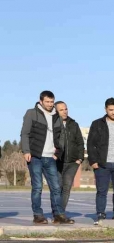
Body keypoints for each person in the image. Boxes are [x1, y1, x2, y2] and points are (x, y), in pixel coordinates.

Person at [20, 90, 72, 224]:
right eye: (47, 102)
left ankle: (59, 215)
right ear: (41, 101)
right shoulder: (31, 113)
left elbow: (61, 137)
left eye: (52, 102)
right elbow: (25, 133)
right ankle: (38, 215)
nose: (50, 104)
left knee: (56, 187)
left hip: (50, 158)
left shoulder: (57, 117)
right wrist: (26, 151)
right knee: (37, 187)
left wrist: (57, 153)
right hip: (35, 156)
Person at [54, 101, 84, 215]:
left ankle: (61, 213)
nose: (65, 111)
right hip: (58, 162)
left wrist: (80, 159)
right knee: (58, 187)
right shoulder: (53, 124)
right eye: (61, 110)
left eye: (66, 109)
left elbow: (80, 142)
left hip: (72, 162)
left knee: (66, 187)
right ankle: (56, 211)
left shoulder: (73, 124)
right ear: (56, 111)